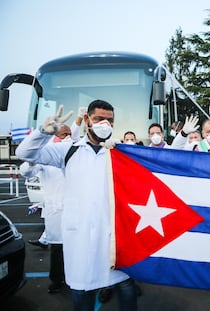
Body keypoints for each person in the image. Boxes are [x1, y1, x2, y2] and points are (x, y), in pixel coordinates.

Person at [16, 100, 137, 310]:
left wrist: (122, 150)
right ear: (88, 120)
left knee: (126, 288)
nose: (105, 124)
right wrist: (43, 132)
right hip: (81, 240)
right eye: (100, 119)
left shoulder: (119, 153)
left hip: (114, 241)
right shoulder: (68, 151)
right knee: (82, 293)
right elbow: (24, 154)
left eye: (110, 121)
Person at [20, 124, 74, 294]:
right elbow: (27, 172)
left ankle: (75, 278)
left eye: (69, 134)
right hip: (56, 210)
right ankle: (57, 280)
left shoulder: (74, 153)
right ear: (54, 137)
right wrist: (31, 160)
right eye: (63, 134)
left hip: (75, 210)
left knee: (76, 247)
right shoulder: (46, 156)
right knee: (57, 249)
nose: (66, 137)